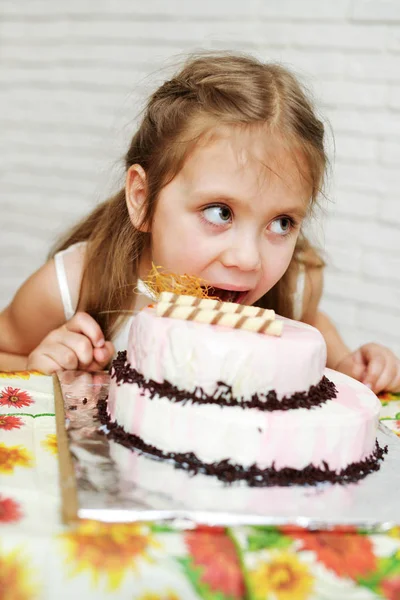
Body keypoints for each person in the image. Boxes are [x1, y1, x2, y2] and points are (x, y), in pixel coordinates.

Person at [0, 53, 399, 393]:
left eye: (281, 223)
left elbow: (312, 330)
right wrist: (36, 367)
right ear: (142, 199)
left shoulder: (293, 287)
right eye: (220, 213)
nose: (247, 260)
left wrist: (354, 367)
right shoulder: (73, 285)